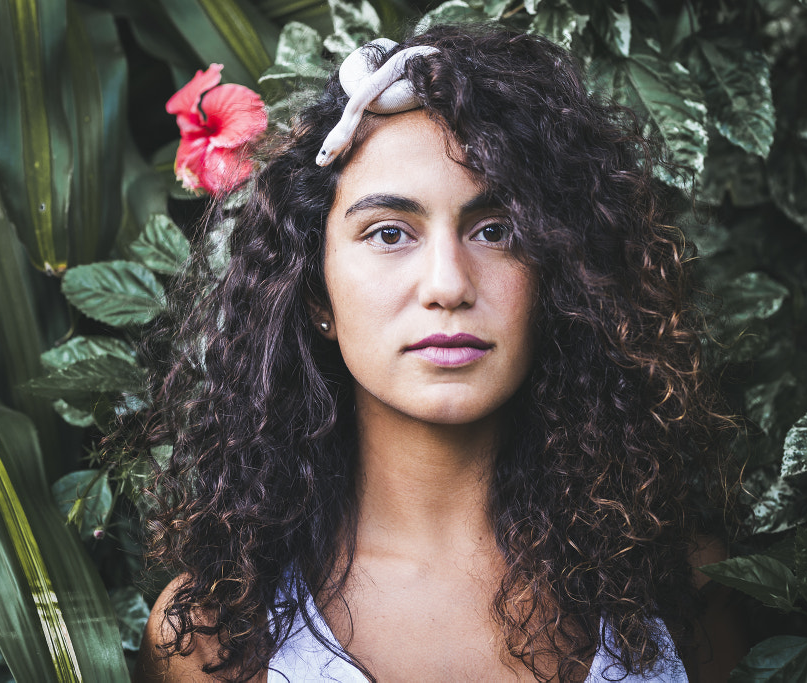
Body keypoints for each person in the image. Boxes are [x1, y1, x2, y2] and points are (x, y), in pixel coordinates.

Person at [133, 23, 745, 683]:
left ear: (558, 275)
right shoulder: (212, 632)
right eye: (390, 232)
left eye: (495, 230)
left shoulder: (684, 590)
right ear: (316, 292)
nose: (449, 283)